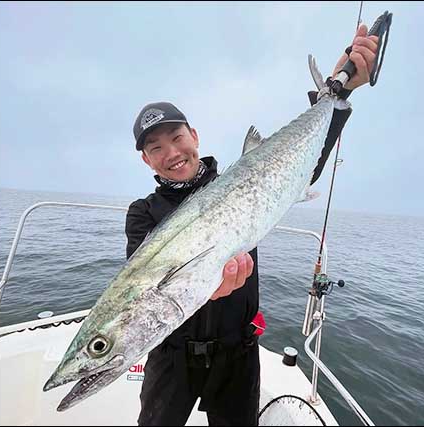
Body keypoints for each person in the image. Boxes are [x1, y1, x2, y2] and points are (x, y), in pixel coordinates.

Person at [126, 24, 378, 427]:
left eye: (176, 137)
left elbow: (298, 171)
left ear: (194, 135)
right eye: (155, 148)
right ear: (146, 160)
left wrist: (337, 95)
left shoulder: (245, 181)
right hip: (170, 355)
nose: (171, 153)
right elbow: (146, 287)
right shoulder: (143, 213)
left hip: (237, 353)